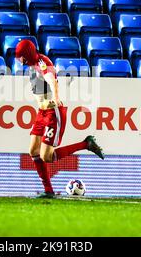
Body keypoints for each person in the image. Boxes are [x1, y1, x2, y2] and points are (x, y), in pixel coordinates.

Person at [15, 39, 104, 198]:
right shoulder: (31, 68)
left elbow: (52, 80)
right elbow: (38, 96)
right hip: (43, 111)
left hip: (53, 113)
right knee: (33, 150)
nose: (19, 60)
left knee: (46, 156)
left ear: (27, 54)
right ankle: (48, 190)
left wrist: (55, 98)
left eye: (21, 56)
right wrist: (42, 103)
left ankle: (86, 144)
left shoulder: (42, 62)